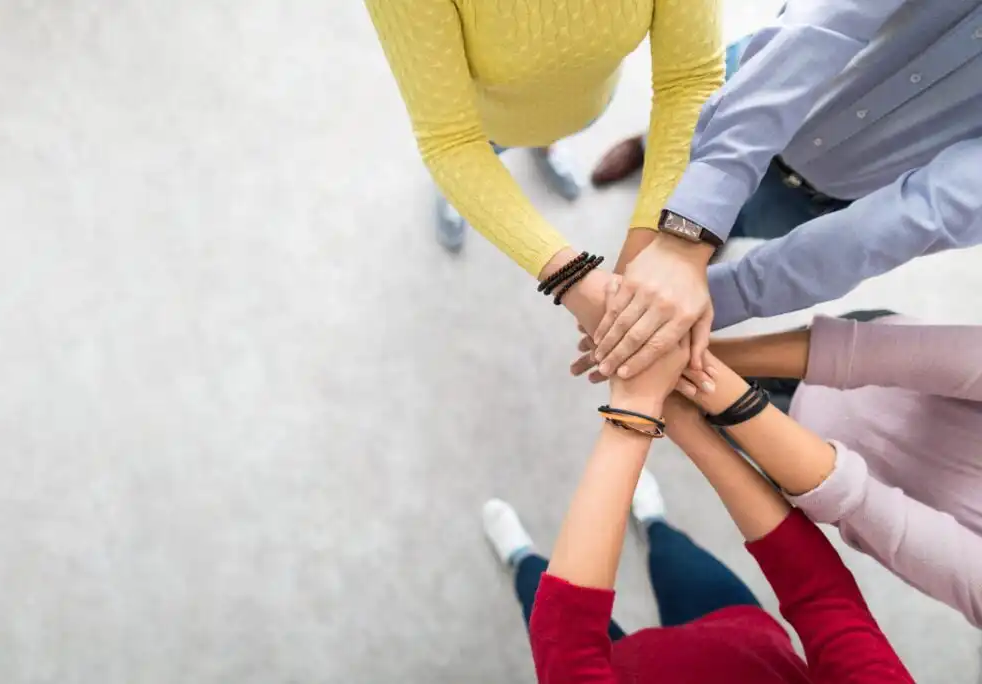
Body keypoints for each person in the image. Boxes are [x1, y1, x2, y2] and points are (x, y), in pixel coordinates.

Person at [588, 1, 982, 382]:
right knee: (678, 133)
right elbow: (825, 22)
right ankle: (644, 147)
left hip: (826, 191)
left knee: (745, 222)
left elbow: (928, 212)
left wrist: (721, 291)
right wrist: (692, 229)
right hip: (755, 86)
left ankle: (715, 238)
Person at [482, 340, 913, 683]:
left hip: (623, 665)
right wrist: (686, 423)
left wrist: (635, 409)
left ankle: (520, 556)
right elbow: (824, 597)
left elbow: (564, 641)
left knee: (537, 591)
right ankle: (653, 524)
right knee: (670, 550)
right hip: (736, 632)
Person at [364, 0, 724, 351]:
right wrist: (570, 278)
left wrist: (639, 260)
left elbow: (689, 81)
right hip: (487, 126)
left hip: (583, 105)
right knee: (478, 158)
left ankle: (547, 145)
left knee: (552, 128)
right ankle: (455, 192)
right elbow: (451, 139)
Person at [686, 312, 982, 627]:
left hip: (809, 454)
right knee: (705, 381)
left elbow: (863, 504)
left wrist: (691, 370)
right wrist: (698, 357)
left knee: (704, 406)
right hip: (866, 357)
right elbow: (925, 356)